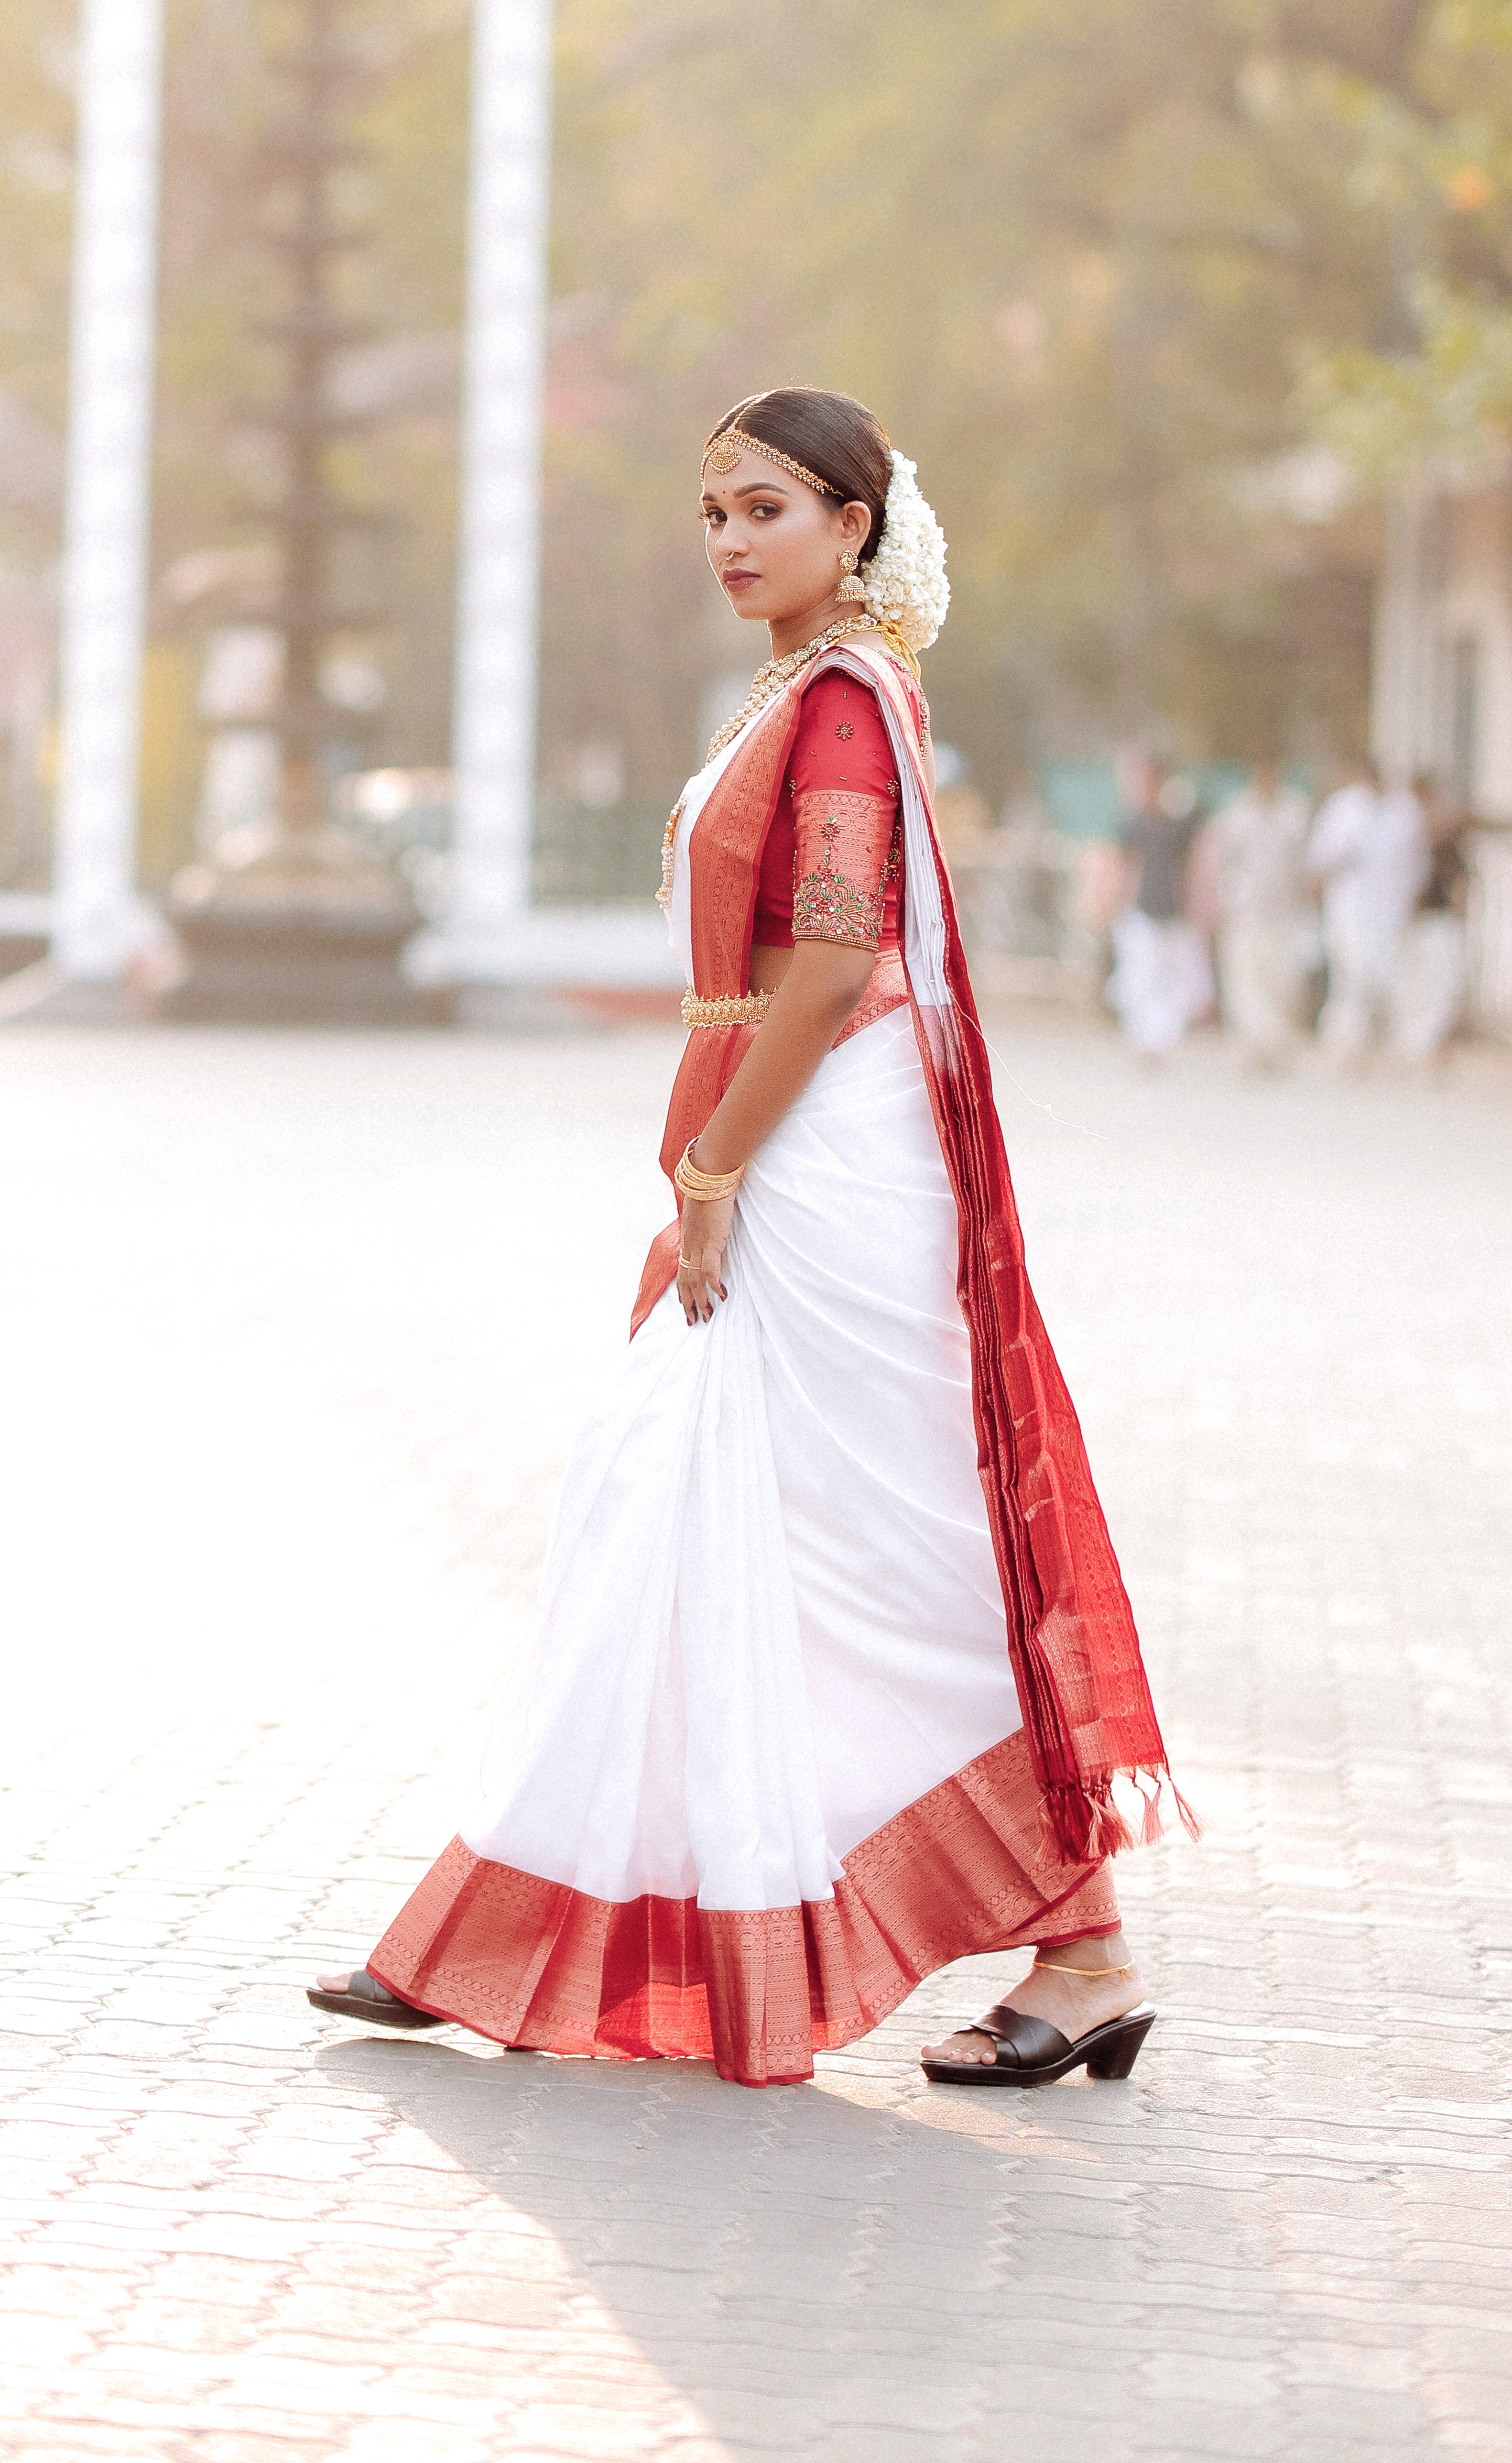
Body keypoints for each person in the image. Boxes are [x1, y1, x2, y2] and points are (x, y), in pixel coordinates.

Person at [308, 387, 1180, 2091]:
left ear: (853, 525)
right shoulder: (802, 691)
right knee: (673, 1510)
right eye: (712, 511)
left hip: (823, 1161)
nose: (727, 540)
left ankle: (1081, 1945)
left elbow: (837, 961)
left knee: (877, 1552)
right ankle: (498, 1928)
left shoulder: (842, 704)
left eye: (764, 508)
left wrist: (712, 1167)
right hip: (790, 1139)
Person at [1307, 759, 1429, 1061]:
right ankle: (1347, 1042)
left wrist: (1414, 899)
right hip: (1350, 909)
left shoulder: (1405, 810)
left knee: (1388, 975)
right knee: (1353, 973)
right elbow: (1320, 860)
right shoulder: (1342, 809)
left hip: (1391, 909)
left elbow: (1417, 861)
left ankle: (1385, 1040)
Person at [1204, 761, 1313, 1069]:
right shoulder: (1237, 815)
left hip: (1285, 912)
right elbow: (1222, 863)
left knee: (1282, 982)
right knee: (1246, 983)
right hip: (1247, 912)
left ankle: (1277, 1046)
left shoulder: (1295, 812)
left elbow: (1304, 862)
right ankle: (1254, 1046)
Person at [1107, 758, 1212, 1065]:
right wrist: (1117, 904)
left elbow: (1193, 864)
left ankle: (1162, 1040)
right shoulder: (1133, 824)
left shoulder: (1180, 820)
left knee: (1176, 983)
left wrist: (1197, 907)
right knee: (1141, 979)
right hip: (1143, 912)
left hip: (1174, 913)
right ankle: (1147, 1040)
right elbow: (1126, 867)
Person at [1392, 787, 1471, 1064]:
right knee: (1431, 985)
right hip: (1432, 924)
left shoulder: (1446, 851)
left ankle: (1427, 1041)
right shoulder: (1425, 851)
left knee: (1441, 986)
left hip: (1439, 924)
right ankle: (1420, 1042)